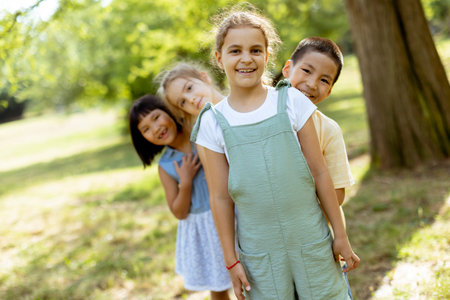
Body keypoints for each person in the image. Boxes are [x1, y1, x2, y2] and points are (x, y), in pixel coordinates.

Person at [190, 8, 360, 300]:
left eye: (255, 50)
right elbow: (220, 197)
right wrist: (231, 261)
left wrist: (340, 235)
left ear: (267, 56)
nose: (246, 58)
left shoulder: (291, 100)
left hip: (311, 240)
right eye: (235, 51)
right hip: (259, 252)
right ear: (219, 58)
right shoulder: (211, 122)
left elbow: (320, 173)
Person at [128, 95, 231, 300]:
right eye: (146, 129)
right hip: (204, 229)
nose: (155, 128)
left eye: (156, 117)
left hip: (230, 213)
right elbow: (179, 212)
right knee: (218, 285)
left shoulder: (202, 133)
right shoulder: (166, 166)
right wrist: (185, 183)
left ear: (169, 111)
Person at [281, 36, 355, 299]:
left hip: (315, 236)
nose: (312, 84)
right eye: (306, 71)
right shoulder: (260, 117)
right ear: (287, 69)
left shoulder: (328, 130)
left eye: (324, 80)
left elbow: (337, 194)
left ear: (331, 90)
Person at [157, 62, 225, 131]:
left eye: (189, 88)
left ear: (204, 77)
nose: (190, 100)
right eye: (183, 102)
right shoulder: (207, 135)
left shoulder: (236, 100)